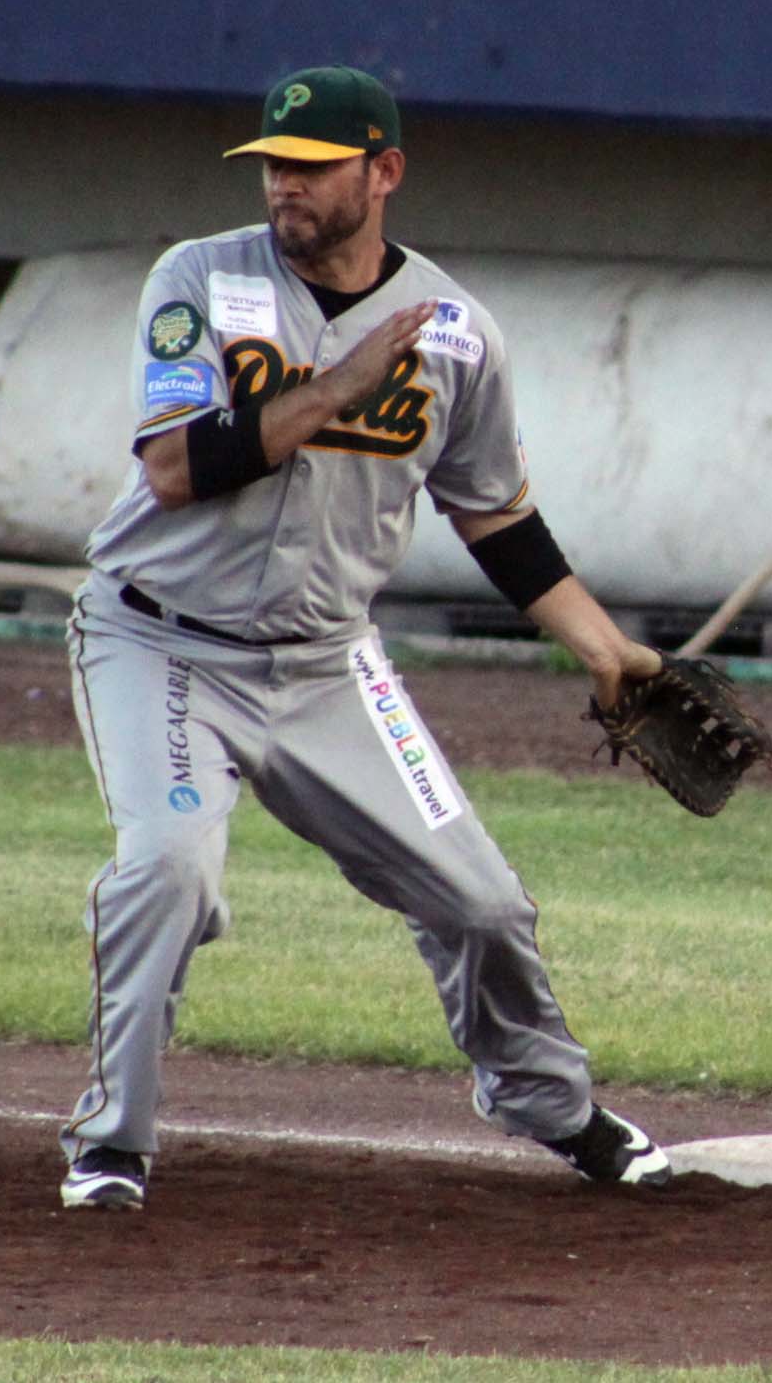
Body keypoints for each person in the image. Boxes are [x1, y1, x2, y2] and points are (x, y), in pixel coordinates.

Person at [58, 65, 674, 1211]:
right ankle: (111, 1145)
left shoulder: (459, 334)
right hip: (162, 645)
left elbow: (493, 510)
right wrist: (341, 384)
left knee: (484, 905)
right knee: (167, 872)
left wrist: (600, 647)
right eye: (274, 167)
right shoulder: (197, 277)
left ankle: (552, 1107)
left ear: (383, 172)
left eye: (313, 168)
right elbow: (176, 467)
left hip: (331, 660)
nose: (285, 188)